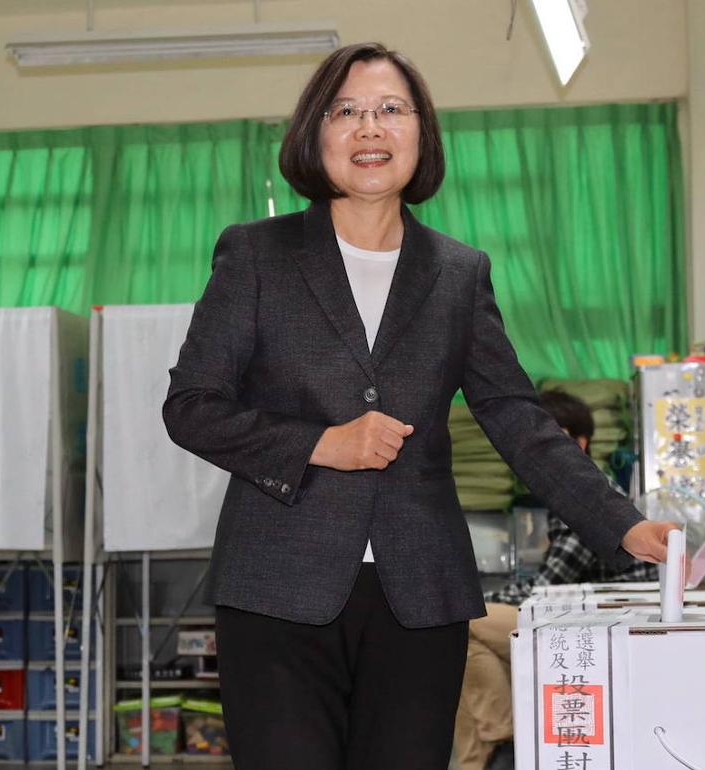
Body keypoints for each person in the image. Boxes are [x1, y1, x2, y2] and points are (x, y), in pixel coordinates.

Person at [162, 42, 678, 770]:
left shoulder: (459, 274)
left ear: (421, 134)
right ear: (316, 135)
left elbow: (516, 416)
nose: (370, 129)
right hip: (277, 587)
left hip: (420, 592)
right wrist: (320, 444)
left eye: (390, 111)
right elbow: (191, 406)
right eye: (347, 112)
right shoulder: (257, 256)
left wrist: (621, 525)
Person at [453, 389, 659, 770]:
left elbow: (544, 587)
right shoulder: (573, 497)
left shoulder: (592, 499)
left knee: (462, 626)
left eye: (547, 442)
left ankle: (504, 741)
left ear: (578, 445)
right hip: (582, 615)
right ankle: (481, 757)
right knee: (461, 650)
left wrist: (480, 598)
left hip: (609, 622)